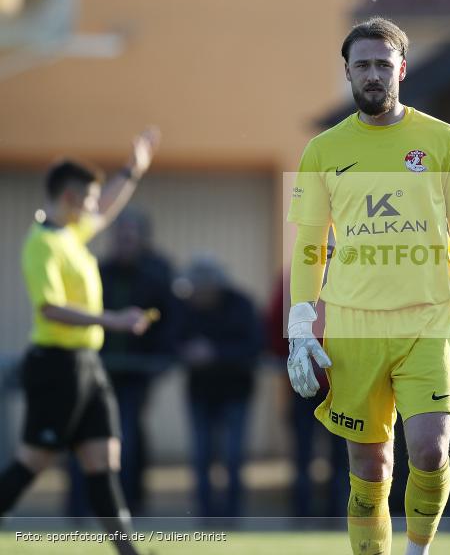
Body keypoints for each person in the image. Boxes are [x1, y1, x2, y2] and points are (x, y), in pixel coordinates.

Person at [285, 17, 450, 555]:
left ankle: (418, 550)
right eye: (363, 65)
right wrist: (301, 329)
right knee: (370, 465)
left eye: (384, 65)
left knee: (432, 451)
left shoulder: (443, 141)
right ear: (347, 71)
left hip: (426, 322)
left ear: (403, 70)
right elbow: (309, 247)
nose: (374, 74)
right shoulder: (323, 150)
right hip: (352, 326)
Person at [0, 128, 159, 555]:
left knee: (104, 460)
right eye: (87, 198)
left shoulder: (70, 234)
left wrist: (132, 171)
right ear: (70, 197)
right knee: (33, 462)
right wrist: (113, 320)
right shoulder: (43, 244)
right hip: (56, 364)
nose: (94, 207)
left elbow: (107, 206)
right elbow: (49, 308)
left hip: (88, 365)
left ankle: (129, 552)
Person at [67, 209, 177, 517]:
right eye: (119, 236)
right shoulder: (97, 271)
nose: (124, 242)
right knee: (84, 440)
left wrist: (159, 360)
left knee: (126, 439)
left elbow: (170, 322)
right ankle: (79, 508)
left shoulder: (156, 276)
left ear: (141, 240)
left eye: (130, 236)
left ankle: (129, 506)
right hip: (94, 371)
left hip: (134, 375)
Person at [175, 257, 263, 520]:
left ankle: (232, 516)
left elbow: (254, 345)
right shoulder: (186, 307)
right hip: (200, 393)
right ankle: (205, 515)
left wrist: (215, 354)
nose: (198, 295)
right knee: (201, 458)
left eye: (203, 289)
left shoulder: (242, 305)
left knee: (233, 457)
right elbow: (170, 337)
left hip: (236, 393)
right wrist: (185, 351)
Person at [265, 273, 348, 518]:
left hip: (342, 384)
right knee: (304, 453)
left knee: (341, 455)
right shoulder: (292, 282)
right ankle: (302, 512)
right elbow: (275, 324)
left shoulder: (353, 279)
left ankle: (337, 511)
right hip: (305, 386)